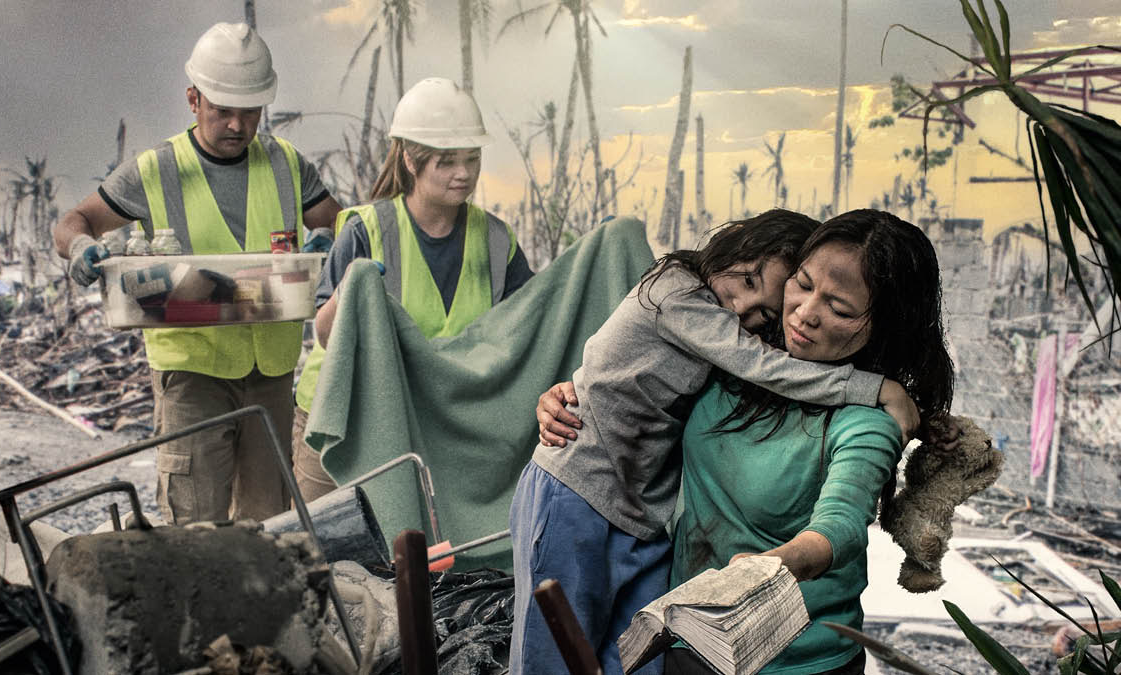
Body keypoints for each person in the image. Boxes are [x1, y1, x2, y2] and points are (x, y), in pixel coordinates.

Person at [540, 209, 955, 674]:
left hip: (794, 660)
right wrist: (574, 395)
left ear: (886, 325)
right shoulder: (736, 359)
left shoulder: (867, 420)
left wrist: (772, 566)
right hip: (689, 638)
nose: (805, 312)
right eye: (801, 282)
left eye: (839, 309)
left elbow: (840, 523)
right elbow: (644, 388)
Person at [53, 22, 341, 525]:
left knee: (267, 525)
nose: (237, 125)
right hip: (192, 374)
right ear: (193, 99)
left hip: (271, 373)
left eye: (249, 112)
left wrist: (329, 241)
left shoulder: (286, 164)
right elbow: (73, 223)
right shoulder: (156, 170)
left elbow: (337, 222)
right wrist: (80, 246)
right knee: (196, 523)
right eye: (222, 110)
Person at [291, 76, 534, 502]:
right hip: (340, 417)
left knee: (409, 553)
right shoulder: (365, 230)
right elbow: (327, 337)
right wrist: (354, 284)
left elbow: (528, 328)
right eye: (446, 162)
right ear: (409, 159)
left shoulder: (496, 242)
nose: (463, 174)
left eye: (472, 159)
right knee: (325, 548)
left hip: (431, 422)